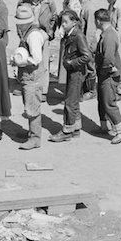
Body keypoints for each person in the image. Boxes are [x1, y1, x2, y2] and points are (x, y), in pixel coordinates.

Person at [50, 10, 92, 142]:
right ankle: (76, 128)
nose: (63, 24)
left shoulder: (78, 35)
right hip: (73, 71)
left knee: (69, 101)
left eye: (65, 22)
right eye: (62, 22)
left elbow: (87, 56)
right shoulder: (70, 33)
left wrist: (72, 62)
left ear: (74, 21)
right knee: (73, 101)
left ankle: (67, 130)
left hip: (77, 72)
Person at [11, 5, 46, 150]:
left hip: (32, 76)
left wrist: (19, 61)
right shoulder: (28, 33)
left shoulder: (33, 36)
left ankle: (35, 138)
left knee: (32, 107)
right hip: (29, 76)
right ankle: (31, 133)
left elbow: (36, 58)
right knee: (30, 105)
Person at [17, 0, 57, 102]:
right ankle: (23, 83)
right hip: (27, 32)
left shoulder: (49, 3)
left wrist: (50, 33)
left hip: (42, 33)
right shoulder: (23, 2)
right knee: (24, 58)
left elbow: (54, 18)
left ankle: (43, 90)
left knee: (43, 62)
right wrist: (21, 34)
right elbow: (18, 18)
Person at [93, 8, 121, 144]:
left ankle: (120, 130)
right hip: (106, 73)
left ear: (98, 21)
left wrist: (102, 71)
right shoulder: (107, 33)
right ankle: (107, 126)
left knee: (109, 104)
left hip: (109, 75)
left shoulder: (109, 36)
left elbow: (108, 59)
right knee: (103, 101)